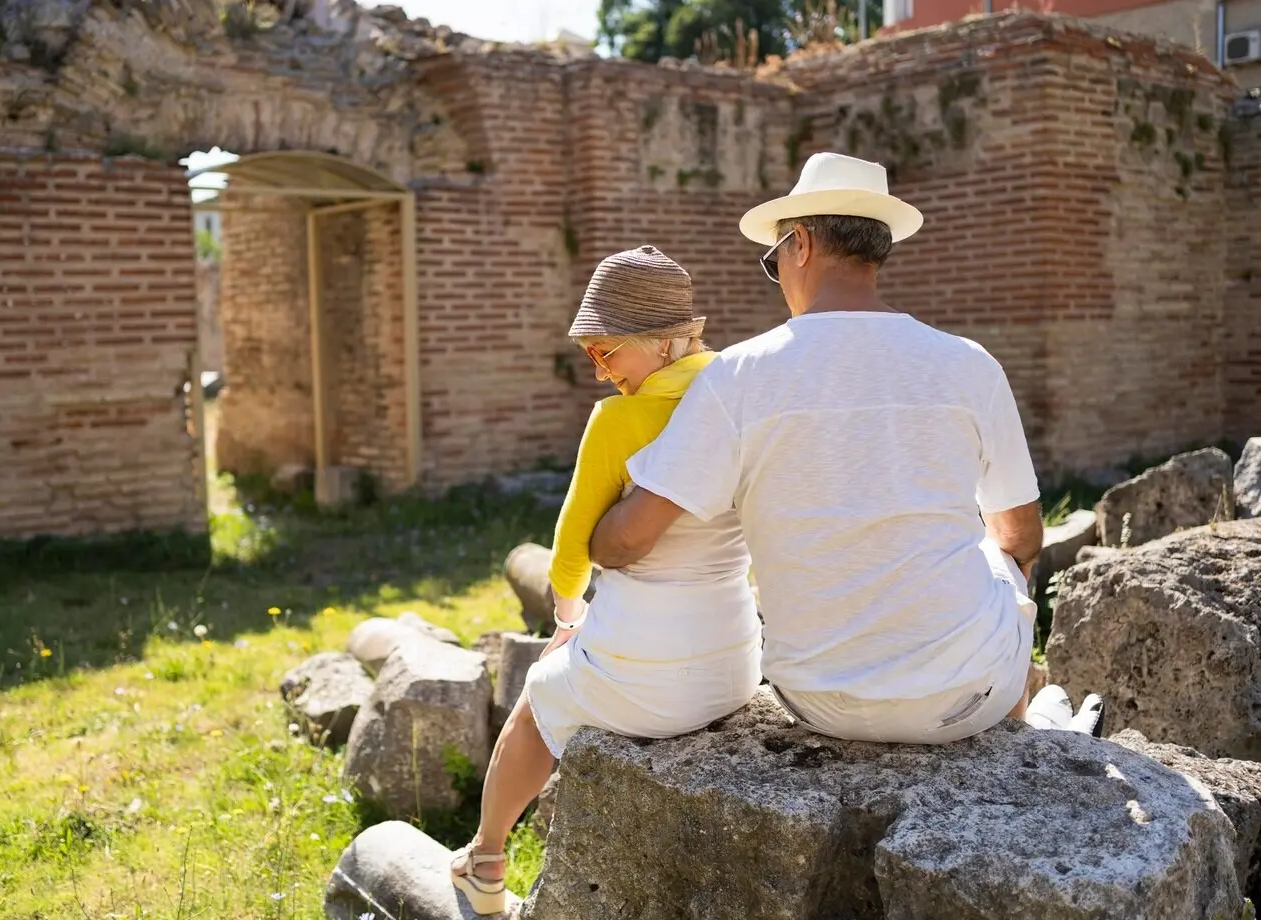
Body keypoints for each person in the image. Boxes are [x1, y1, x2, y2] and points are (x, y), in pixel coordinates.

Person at [589, 152, 1103, 746]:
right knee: (998, 559)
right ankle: (1033, 734)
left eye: (773, 257)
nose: (777, 272)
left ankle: (1034, 727)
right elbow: (1021, 539)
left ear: (800, 243)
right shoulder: (969, 364)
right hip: (962, 700)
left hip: (813, 702)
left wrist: (587, 535)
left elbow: (626, 542)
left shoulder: (735, 375)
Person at [450, 246, 762, 916]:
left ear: (667, 341)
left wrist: (566, 620)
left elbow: (570, 552)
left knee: (537, 697)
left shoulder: (618, 421)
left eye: (608, 349)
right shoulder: (743, 395)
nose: (599, 368)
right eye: (590, 351)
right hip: (736, 668)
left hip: (647, 672)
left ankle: (485, 860)